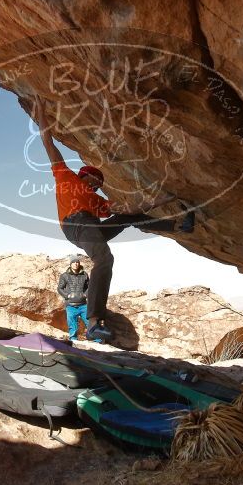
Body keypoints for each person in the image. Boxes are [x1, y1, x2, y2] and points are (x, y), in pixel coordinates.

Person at [33, 96, 194, 343]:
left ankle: (179, 225)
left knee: (129, 217)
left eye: (100, 184)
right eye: (95, 181)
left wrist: (165, 199)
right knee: (104, 258)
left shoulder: (99, 203)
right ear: (84, 175)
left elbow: (132, 207)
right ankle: (95, 321)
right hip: (76, 223)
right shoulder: (66, 176)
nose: (98, 185)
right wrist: (41, 111)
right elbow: (48, 141)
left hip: (91, 227)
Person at [57, 255, 89, 341]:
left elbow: (89, 287)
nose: (76, 264)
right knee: (72, 326)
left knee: (89, 323)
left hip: (83, 305)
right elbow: (60, 288)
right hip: (70, 305)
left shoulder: (84, 274)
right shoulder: (64, 275)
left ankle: (96, 341)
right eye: (74, 262)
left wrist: (85, 294)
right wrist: (67, 295)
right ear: (70, 264)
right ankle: (74, 341)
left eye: (77, 262)